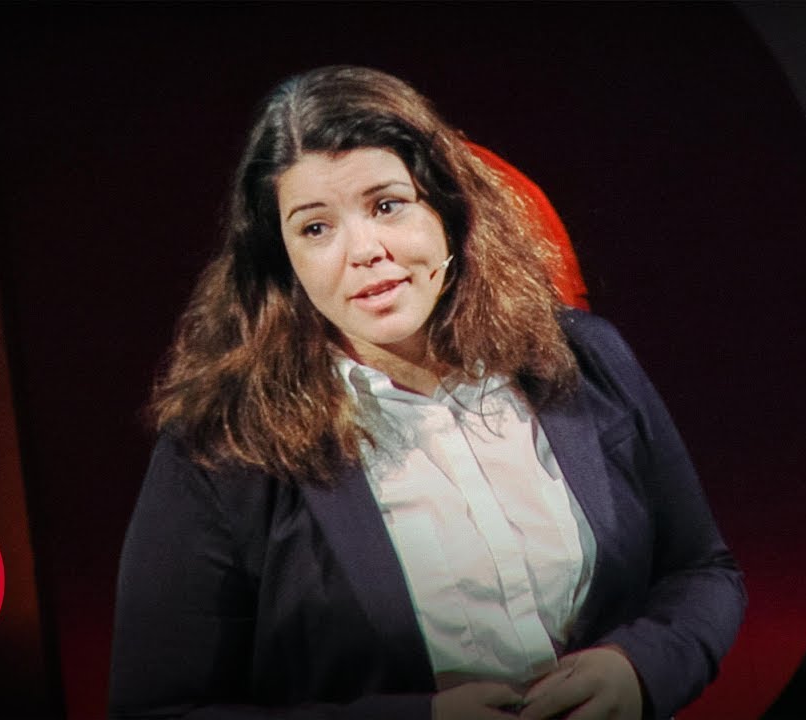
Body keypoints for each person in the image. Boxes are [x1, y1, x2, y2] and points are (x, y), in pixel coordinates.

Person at [109, 64, 746, 720]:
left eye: (387, 205)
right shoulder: (224, 445)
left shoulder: (584, 357)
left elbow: (702, 571)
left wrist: (639, 668)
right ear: (283, 257)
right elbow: (158, 711)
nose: (364, 250)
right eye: (315, 228)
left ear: (445, 206)